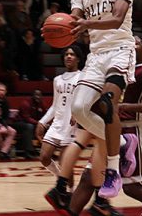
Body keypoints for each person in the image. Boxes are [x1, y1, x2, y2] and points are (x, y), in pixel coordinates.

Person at [59, 33, 142, 216]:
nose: (130, 45)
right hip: (108, 130)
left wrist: (123, 106)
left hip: (134, 130)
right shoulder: (118, 70)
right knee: (88, 178)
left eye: (135, 43)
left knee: (132, 187)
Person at [68, 0, 136, 198]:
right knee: (79, 109)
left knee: (107, 104)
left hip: (120, 51)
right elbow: (72, 25)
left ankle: (112, 170)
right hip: (96, 57)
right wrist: (62, 28)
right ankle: (121, 141)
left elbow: (118, 18)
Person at [36, 45, 82, 188]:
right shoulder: (57, 79)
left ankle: (70, 193)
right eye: (66, 54)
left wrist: (79, 116)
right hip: (57, 124)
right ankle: (59, 177)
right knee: (44, 157)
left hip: (71, 126)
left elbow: (85, 101)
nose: (68, 57)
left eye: (72, 54)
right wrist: (42, 122)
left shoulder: (83, 77)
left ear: (78, 59)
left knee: (66, 164)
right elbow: (55, 105)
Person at [11, 89, 47, 158]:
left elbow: (45, 116)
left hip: (33, 124)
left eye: (39, 95)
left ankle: (47, 150)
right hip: (18, 123)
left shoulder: (42, 104)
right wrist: (39, 123)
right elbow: (26, 118)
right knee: (29, 126)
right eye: (36, 95)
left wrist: (44, 124)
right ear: (32, 96)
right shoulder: (26, 103)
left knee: (47, 126)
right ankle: (28, 151)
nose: (38, 97)